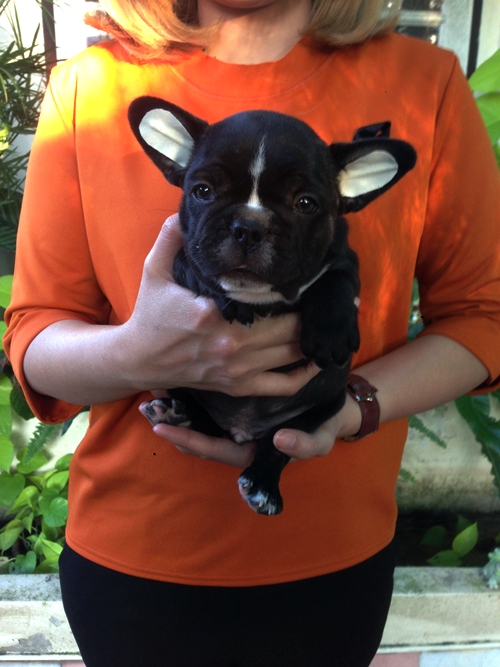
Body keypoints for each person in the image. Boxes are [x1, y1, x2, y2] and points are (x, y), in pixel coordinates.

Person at [4, 1, 500, 665]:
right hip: (134, 557)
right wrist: (138, 353)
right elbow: (35, 335)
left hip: (332, 555)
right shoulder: (91, 86)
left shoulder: (423, 81)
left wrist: (351, 407)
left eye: (303, 202)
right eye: (210, 189)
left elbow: (484, 315)